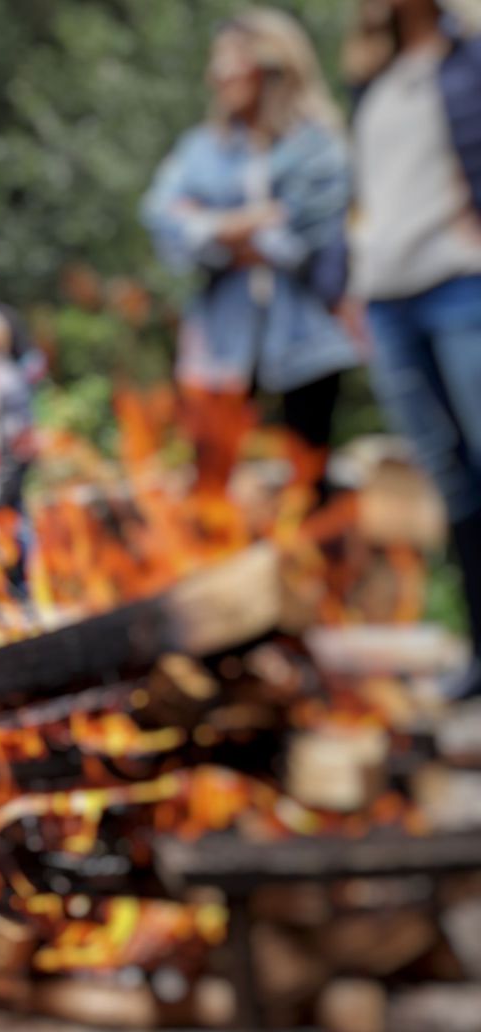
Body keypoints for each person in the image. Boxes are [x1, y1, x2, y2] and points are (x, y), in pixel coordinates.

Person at [142, 9, 358, 505]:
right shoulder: (202, 148)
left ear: (271, 67)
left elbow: (310, 241)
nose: (216, 76)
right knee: (210, 489)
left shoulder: (318, 147)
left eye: (229, 63)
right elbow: (162, 220)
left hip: (309, 342)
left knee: (308, 489)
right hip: (221, 342)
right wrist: (257, 220)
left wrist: (215, 226)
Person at [345, 0, 481, 697]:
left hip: (460, 288)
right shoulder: (373, 77)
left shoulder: (468, 58)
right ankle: (480, 657)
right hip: (388, 302)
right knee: (450, 480)